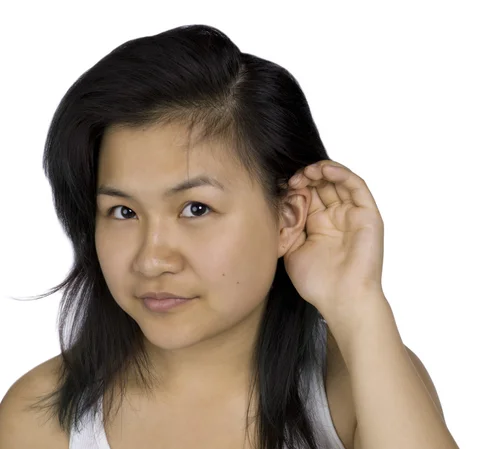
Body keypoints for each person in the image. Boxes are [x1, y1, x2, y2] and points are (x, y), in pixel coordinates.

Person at [0, 24, 450, 449]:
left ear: (288, 218)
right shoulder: (40, 419)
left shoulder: (360, 384)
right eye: (123, 211)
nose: (152, 259)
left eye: (196, 209)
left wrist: (358, 302)